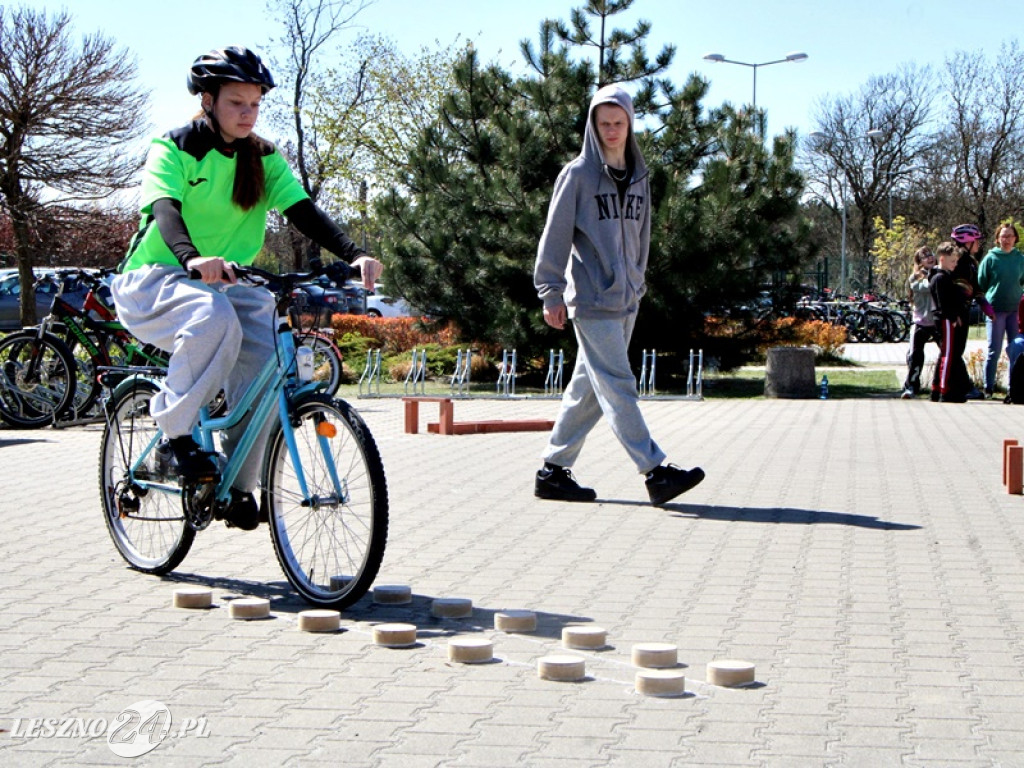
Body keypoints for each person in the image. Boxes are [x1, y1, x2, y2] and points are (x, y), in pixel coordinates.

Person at [111, 46, 381, 530]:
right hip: (155, 278)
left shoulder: (263, 158)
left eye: (255, 104)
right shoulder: (174, 147)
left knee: (267, 355)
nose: (248, 113)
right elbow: (165, 210)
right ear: (208, 100)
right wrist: (191, 258)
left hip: (230, 282)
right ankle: (174, 434)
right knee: (211, 319)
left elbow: (302, 210)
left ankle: (236, 485)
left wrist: (353, 253)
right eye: (236, 102)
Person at [532, 84, 704, 506]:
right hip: (592, 299)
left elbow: (642, 235)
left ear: (629, 125)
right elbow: (554, 236)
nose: (611, 130)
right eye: (603, 123)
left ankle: (552, 471)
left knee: (589, 389)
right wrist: (551, 291)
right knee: (618, 385)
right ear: (593, 126)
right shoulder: (577, 175)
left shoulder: (640, 176)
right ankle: (655, 471)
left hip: (627, 297)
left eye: (618, 123)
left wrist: (637, 281)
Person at [945, 224, 993, 400]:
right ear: (967, 241)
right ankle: (963, 386)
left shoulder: (971, 262)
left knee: (956, 351)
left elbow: (976, 288)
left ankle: (957, 386)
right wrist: (955, 312)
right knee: (954, 351)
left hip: (964, 310)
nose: (978, 244)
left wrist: (986, 307)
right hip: (956, 313)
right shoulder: (958, 261)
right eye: (976, 241)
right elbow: (954, 290)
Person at [977, 222, 1024, 396]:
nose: (1007, 239)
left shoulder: (1020, 259)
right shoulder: (991, 258)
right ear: (997, 238)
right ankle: (988, 387)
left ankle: (1014, 388)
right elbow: (982, 282)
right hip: (995, 310)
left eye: (1010, 236)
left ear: (1015, 238)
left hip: (1015, 311)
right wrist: (987, 305)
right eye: (1003, 236)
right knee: (994, 350)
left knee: (1016, 351)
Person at [930, 242, 966, 402]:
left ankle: (937, 388)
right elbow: (942, 303)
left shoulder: (945, 276)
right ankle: (944, 390)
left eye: (956, 261)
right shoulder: (940, 278)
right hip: (945, 320)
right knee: (948, 354)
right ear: (942, 259)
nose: (955, 264)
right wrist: (952, 317)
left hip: (947, 317)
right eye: (952, 261)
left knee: (945, 353)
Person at [901, 246, 938, 398]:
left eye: (931, 254)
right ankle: (911, 386)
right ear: (920, 261)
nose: (930, 258)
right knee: (915, 355)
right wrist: (935, 274)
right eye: (925, 256)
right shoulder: (915, 278)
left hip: (936, 321)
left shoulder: (939, 273)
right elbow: (928, 287)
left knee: (949, 352)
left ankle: (953, 384)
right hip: (921, 321)